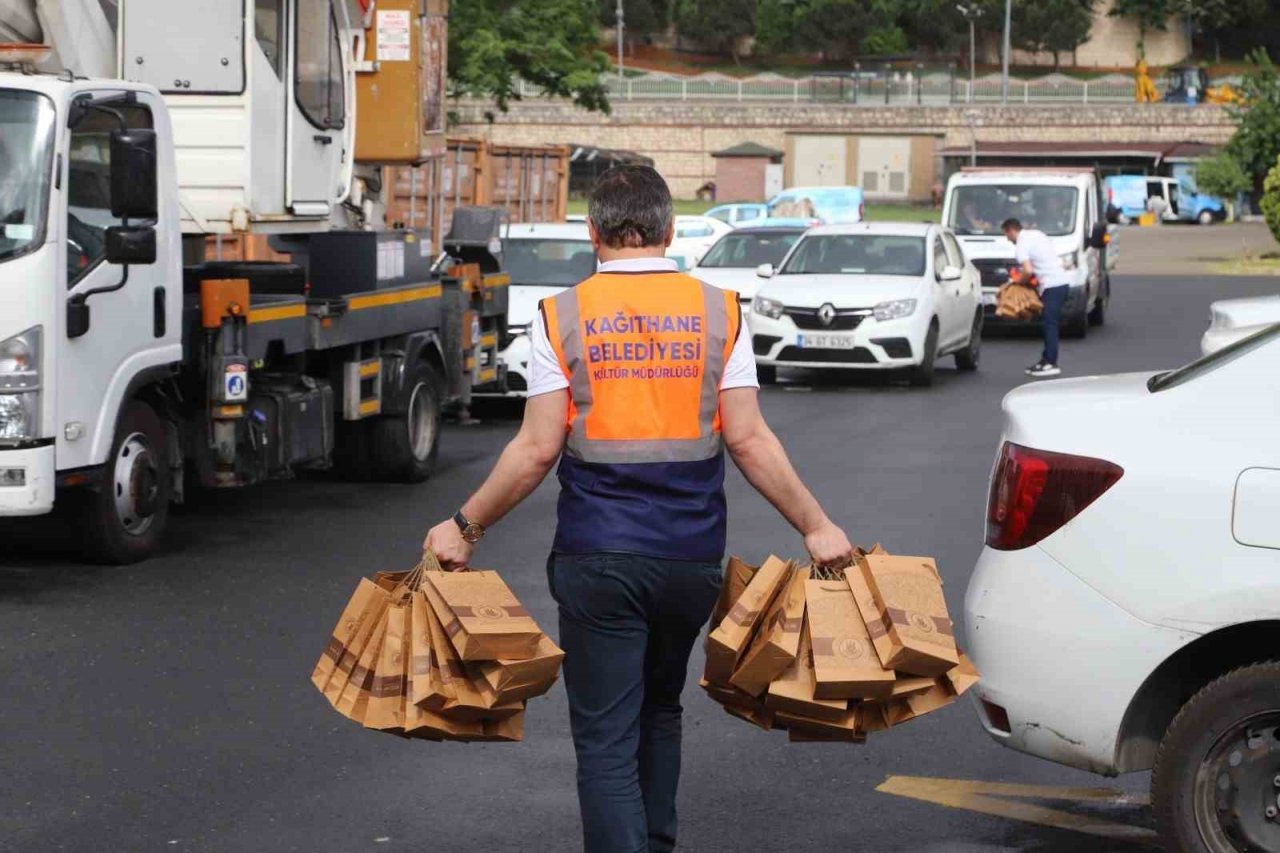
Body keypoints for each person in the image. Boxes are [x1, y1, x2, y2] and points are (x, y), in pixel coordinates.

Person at [424, 165, 854, 853]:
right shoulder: (722, 311)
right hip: (690, 561)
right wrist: (816, 524)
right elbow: (747, 437)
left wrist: (465, 524)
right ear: (670, 228)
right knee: (660, 709)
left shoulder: (561, 315)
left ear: (592, 232)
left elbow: (536, 449)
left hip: (599, 561)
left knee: (604, 739)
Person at [1002, 217, 1071, 378]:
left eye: (1006, 235)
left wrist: (1017, 283)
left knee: (1050, 324)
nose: (1007, 239)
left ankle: (1050, 363)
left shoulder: (1021, 245)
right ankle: (1045, 359)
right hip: (1061, 282)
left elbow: (1028, 270)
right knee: (1048, 323)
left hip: (1052, 285)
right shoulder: (1037, 234)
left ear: (1011, 230)